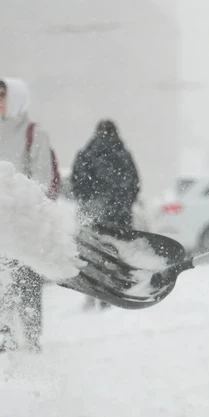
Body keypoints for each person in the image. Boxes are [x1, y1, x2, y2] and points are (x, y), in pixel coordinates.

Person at [0, 78, 54, 353]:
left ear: (16, 98)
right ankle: (6, 334)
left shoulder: (34, 133)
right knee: (0, 278)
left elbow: (42, 178)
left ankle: (31, 334)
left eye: (3, 96)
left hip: (25, 221)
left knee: (27, 278)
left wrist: (22, 203)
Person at [70, 120, 141, 310]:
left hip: (93, 213)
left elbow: (76, 183)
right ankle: (110, 293)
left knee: (91, 252)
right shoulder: (123, 155)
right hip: (118, 216)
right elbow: (134, 184)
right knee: (114, 253)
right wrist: (122, 204)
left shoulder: (86, 154)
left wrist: (88, 202)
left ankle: (91, 291)